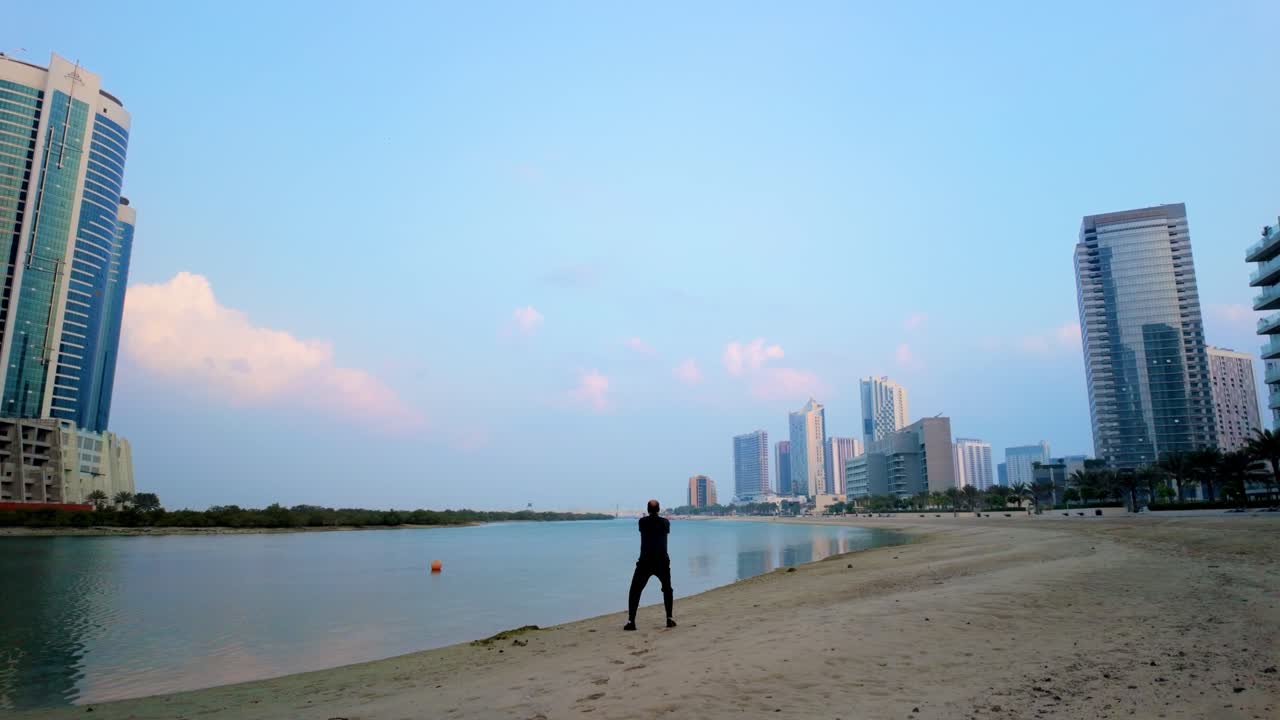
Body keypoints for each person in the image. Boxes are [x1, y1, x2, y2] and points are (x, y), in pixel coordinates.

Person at [624, 499, 676, 631]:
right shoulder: (665, 522)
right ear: (658, 510)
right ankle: (669, 618)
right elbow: (664, 532)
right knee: (667, 589)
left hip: (645, 561)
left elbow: (645, 529)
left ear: (647, 510)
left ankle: (631, 621)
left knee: (635, 590)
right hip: (662, 561)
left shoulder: (642, 522)